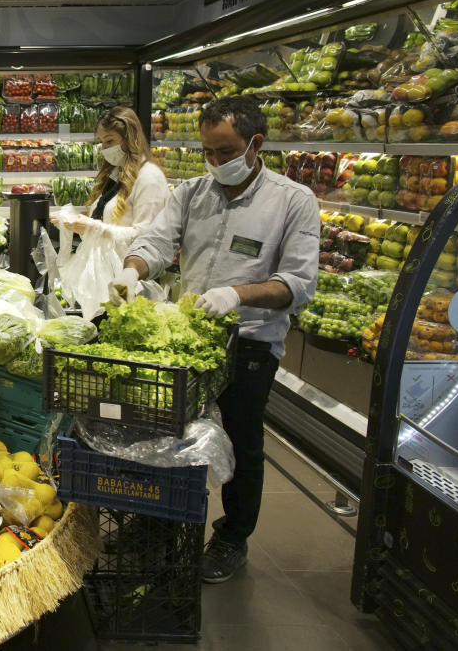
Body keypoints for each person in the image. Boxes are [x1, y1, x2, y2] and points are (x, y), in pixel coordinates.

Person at [113, 95, 319, 584]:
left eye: (226, 152)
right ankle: (160, 522)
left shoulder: (293, 202)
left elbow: (299, 284)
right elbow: (158, 242)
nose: (216, 163)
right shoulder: (193, 194)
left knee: (241, 442)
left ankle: (232, 536)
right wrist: (131, 270)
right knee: (169, 435)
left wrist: (238, 293)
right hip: (189, 340)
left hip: (249, 344)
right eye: (208, 152)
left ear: (256, 144)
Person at [51, 105, 167, 254]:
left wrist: (94, 228)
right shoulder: (115, 174)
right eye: (102, 142)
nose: (104, 148)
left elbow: (147, 239)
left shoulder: (150, 179)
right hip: (105, 270)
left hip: (128, 273)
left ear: (131, 138)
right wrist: (77, 225)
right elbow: (104, 228)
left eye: (109, 141)